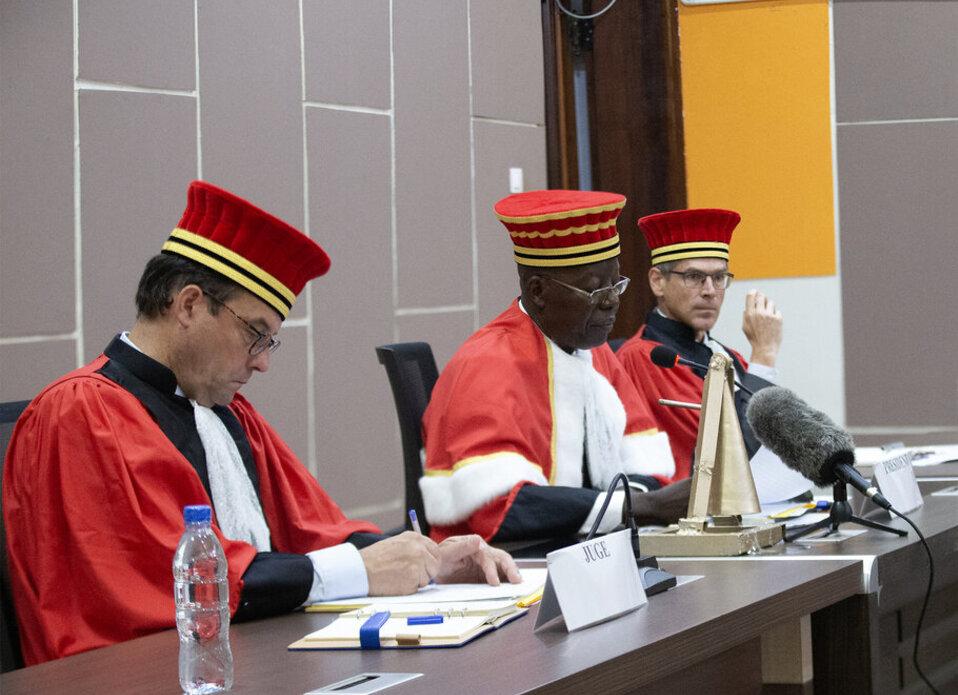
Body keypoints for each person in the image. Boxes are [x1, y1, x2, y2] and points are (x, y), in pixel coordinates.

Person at [2, 181, 520, 665]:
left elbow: (313, 534)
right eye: (257, 333)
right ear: (188, 305)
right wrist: (362, 571)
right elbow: (169, 586)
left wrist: (427, 558)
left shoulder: (225, 412)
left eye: (270, 341)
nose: (262, 362)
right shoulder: (80, 414)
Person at [419, 190, 690, 543]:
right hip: (502, 570)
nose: (611, 302)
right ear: (538, 292)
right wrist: (637, 507)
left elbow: (649, 470)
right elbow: (503, 509)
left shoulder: (594, 352)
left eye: (615, 285)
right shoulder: (486, 364)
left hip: (582, 551)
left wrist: (635, 504)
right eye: (594, 291)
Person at [616, 208, 783, 480]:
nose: (709, 291)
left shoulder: (731, 357)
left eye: (719, 278)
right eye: (693, 277)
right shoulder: (645, 358)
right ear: (658, 282)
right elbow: (729, 467)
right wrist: (764, 356)